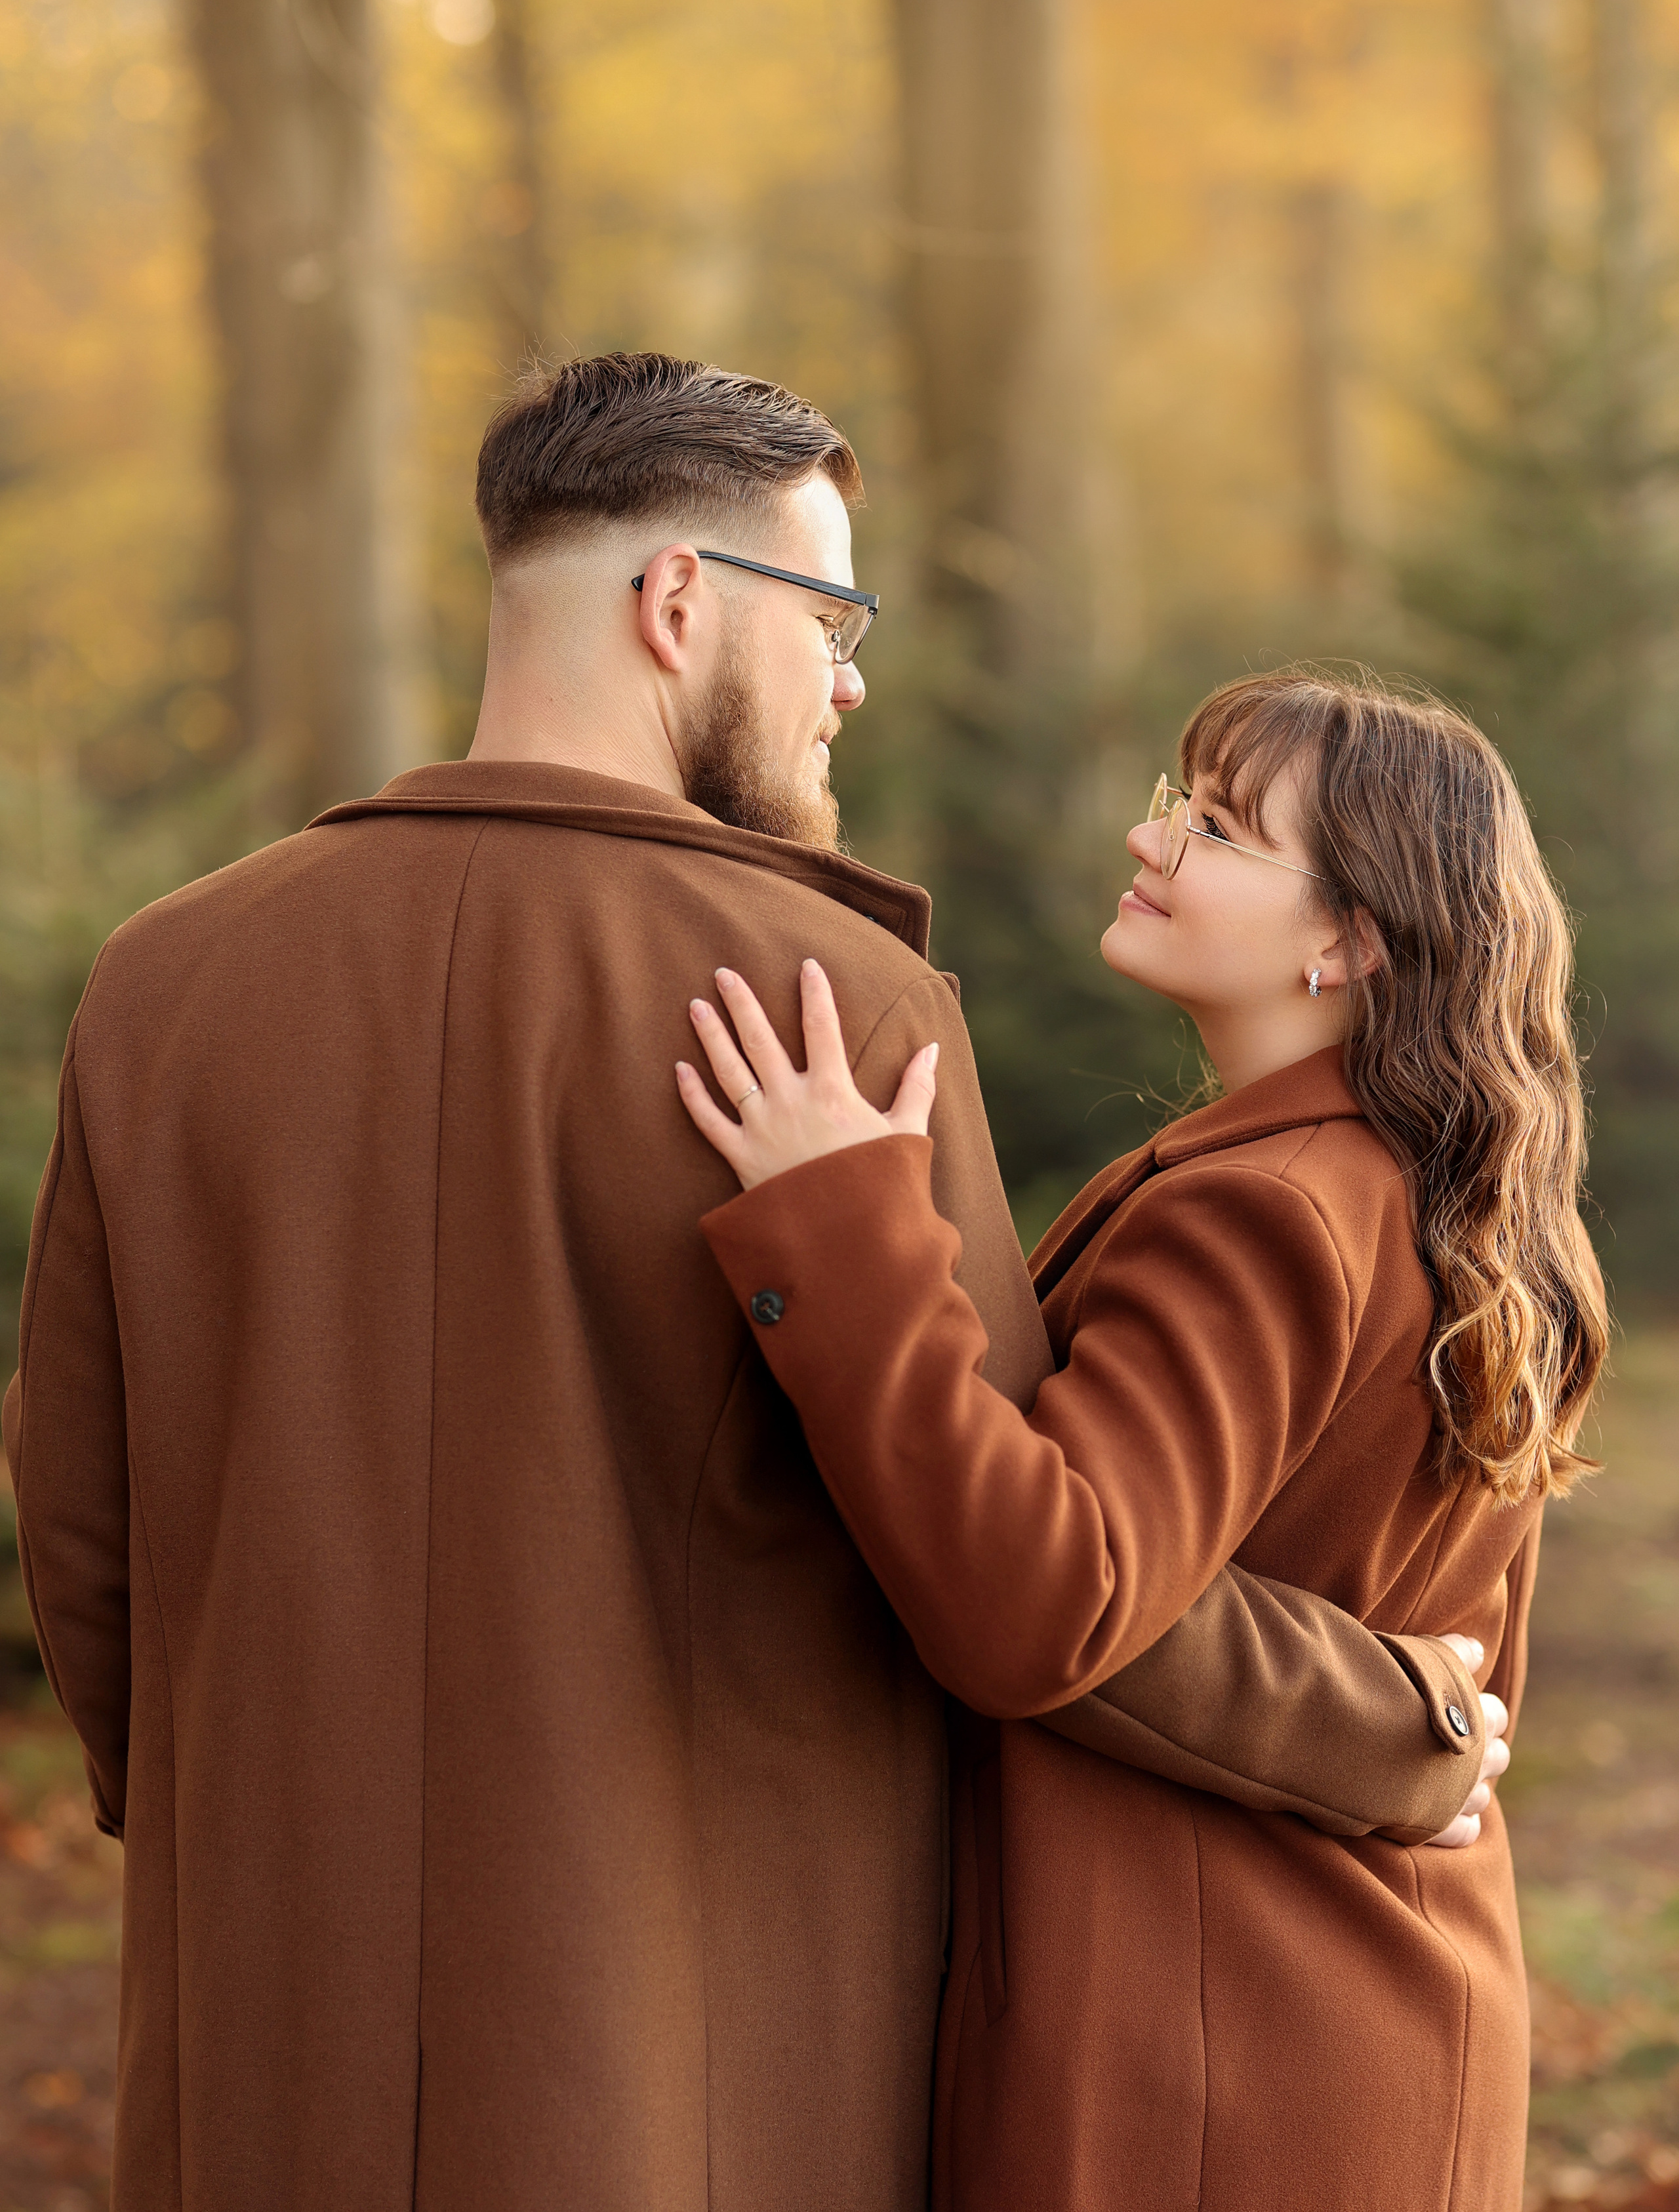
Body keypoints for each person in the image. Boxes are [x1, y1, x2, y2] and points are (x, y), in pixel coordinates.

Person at [7, 361, 1497, 2212]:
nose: (849, 678)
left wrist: (249, 1828)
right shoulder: (832, 1012)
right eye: (832, 616)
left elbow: (83, 1517)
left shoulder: (163, 984)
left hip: (258, 2020)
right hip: (710, 2040)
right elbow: (1023, 1567)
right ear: (680, 602)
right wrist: (1386, 1716)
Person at [677, 668, 1608, 2212]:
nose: (1149, 836)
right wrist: (1400, 1727)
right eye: (1176, 800)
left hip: (1212, 2041)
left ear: (1347, 937)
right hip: (1374, 2001)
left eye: (1221, 827)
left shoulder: (1267, 1211)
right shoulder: (1432, 1200)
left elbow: (1047, 1593)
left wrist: (839, 1228)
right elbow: (1439, 1663)